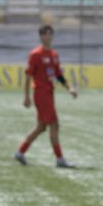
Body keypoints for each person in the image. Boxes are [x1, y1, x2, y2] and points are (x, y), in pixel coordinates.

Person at [14, 25, 77, 168]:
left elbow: (58, 75)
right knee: (54, 125)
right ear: (41, 36)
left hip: (49, 93)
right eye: (45, 34)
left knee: (42, 127)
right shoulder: (35, 54)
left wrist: (70, 88)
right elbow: (28, 76)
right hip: (41, 94)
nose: (48, 37)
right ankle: (60, 159)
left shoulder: (54, 54)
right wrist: (26, 96)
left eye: (50, 34)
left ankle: (20, 152)